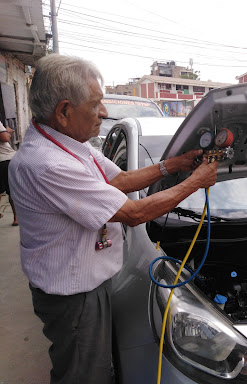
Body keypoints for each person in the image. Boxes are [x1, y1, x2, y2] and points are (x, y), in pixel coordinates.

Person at [8, 54, 218, 384]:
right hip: (72, 296)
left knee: (89, 364)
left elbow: (119, 181)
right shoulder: (48, 163)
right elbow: (134, 214)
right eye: (95, 104)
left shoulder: (69, 144)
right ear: (64, 112)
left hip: (84, 283)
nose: (104, 113)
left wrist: (175, 165)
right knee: (83, 374)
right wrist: (196, 182)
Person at [0, 120, 18, 225]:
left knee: (8, 190)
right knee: (11, 190)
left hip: (4, 160)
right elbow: (5, 138)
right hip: (5, 159)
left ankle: (16, 217)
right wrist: (8, 131)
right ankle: (16, 217)